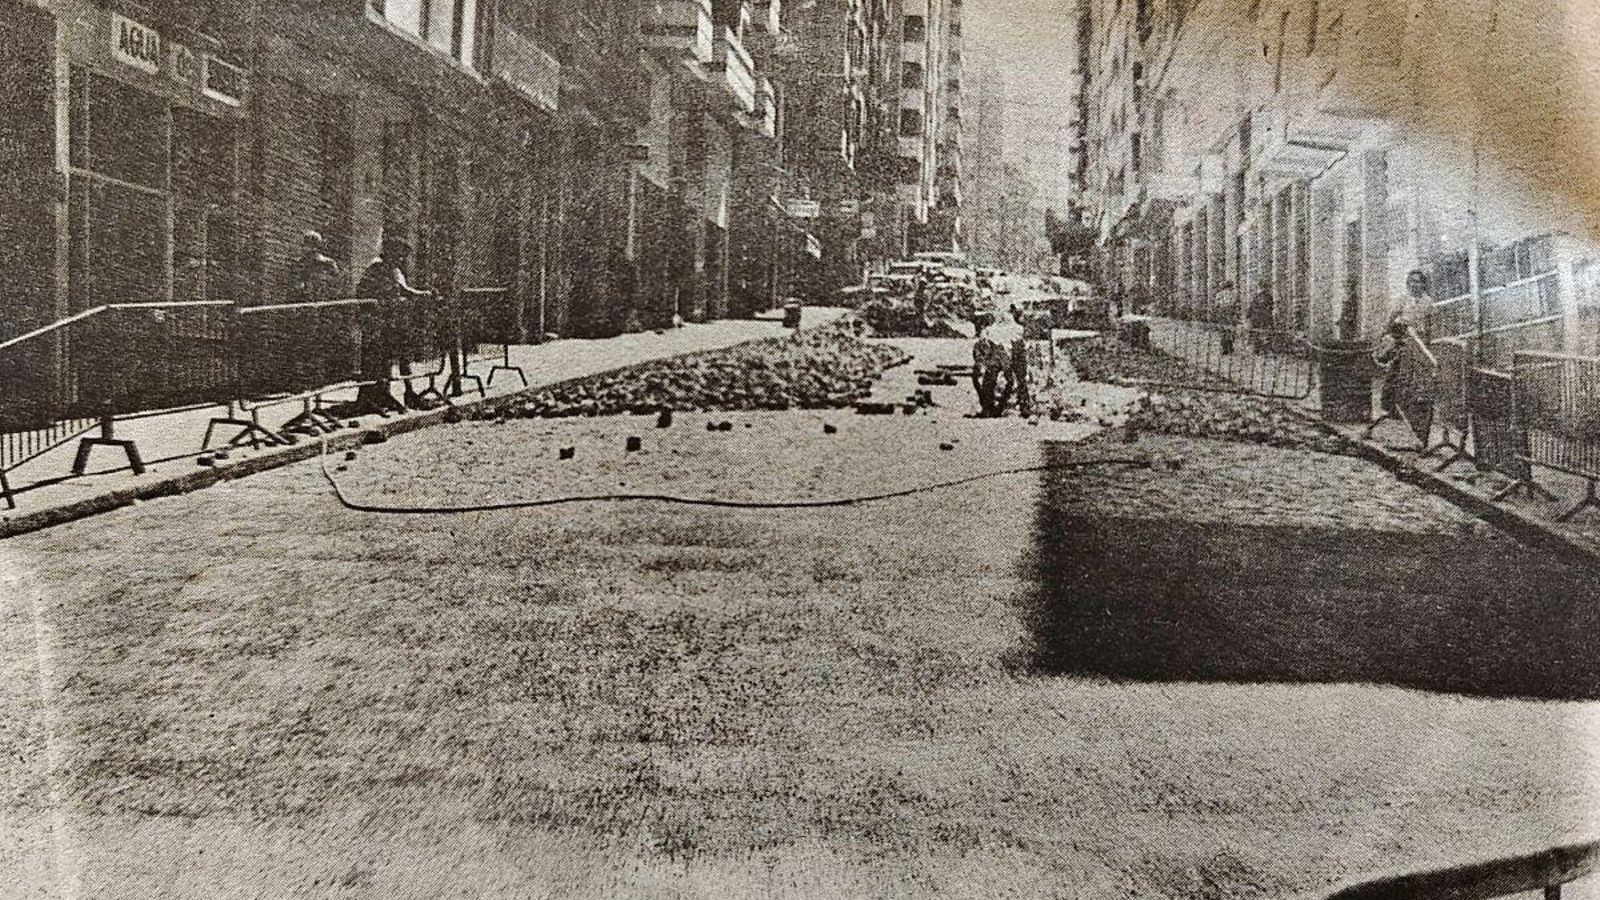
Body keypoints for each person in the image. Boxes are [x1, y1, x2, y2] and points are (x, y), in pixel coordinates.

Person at [355, 235, 437, 411]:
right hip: (381, 323)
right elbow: (402, 290)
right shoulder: (378, 267)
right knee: (384, 361)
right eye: (399, 255)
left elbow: (401, 290)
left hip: (395, 321)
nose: (401, 259)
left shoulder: (393, 268)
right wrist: (423, 294)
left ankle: (408, 392)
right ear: (391, 252)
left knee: (403, 358)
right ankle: (383, 396)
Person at [288, 230, 342, 304]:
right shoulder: (300, 264)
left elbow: (337, 284)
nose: (305, 248)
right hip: (312, 303)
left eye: (307, 245)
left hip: (321, 303)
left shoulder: (329, 264)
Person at [1247, 280, 1276, 352]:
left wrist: (1248, 316)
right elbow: (1271, 307)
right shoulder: (1269, 297)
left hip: (1257, 318)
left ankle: (1257, 347)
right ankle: (1265, 347)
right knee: (1266, 332)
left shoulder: (1256, 297)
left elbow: (1251, 307)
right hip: (1266, 318)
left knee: (1256, 332)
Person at [1214, 279, 1239, 355]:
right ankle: (1230, 347)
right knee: (1231, 331)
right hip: (1231, 314)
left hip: (1222, 315)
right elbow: (1235, 304)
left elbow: (1216, 305)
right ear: (1231, 286)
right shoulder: (1234, 294)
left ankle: (1225, 348)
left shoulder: (1219, 295)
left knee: (1223, 332)